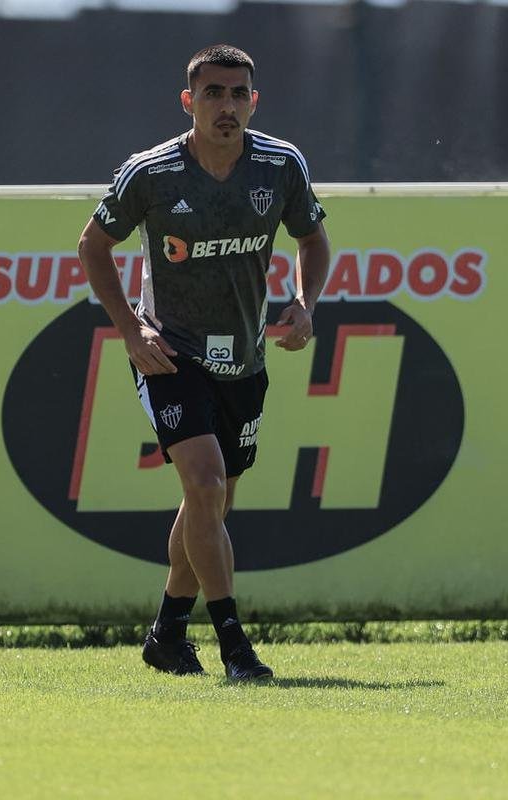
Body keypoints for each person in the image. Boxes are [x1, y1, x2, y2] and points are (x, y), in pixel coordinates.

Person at [78, 44, 330, 680]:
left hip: (244, 359)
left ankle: (167, 629)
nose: (226, 105)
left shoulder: (281, 166)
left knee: (209, 505)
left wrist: (304, 304)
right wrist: (132, 329)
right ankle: (234, 645)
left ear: (254, 101)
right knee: (206, 484)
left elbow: (313, 240)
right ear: (189, 103)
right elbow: (93, 245)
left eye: (237, 93)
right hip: (169, 351)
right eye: (212, 93)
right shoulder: (152, 173)